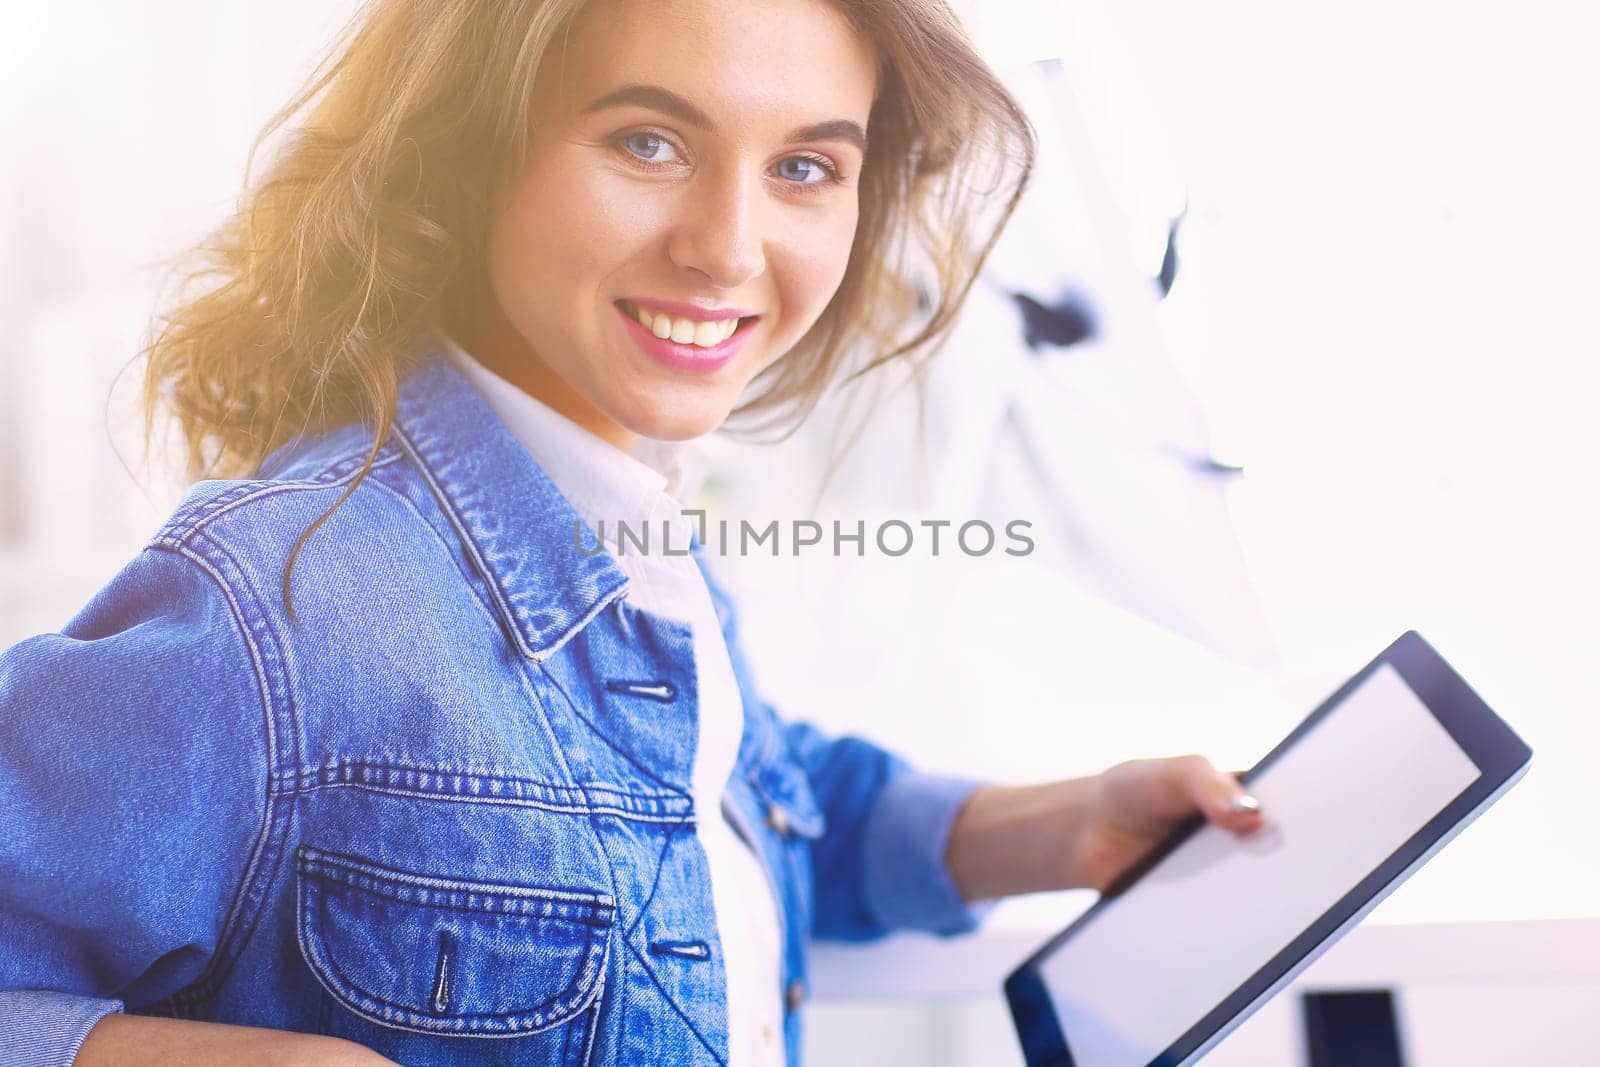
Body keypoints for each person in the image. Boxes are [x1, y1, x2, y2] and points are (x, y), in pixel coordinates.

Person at [0, 0, 1264, 1063]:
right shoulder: (281, 591)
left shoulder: (629, 532)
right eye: (650, 142)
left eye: (805, 167)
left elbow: (731, 793)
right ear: (466, 155)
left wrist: (1060, 822)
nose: (728, 248)